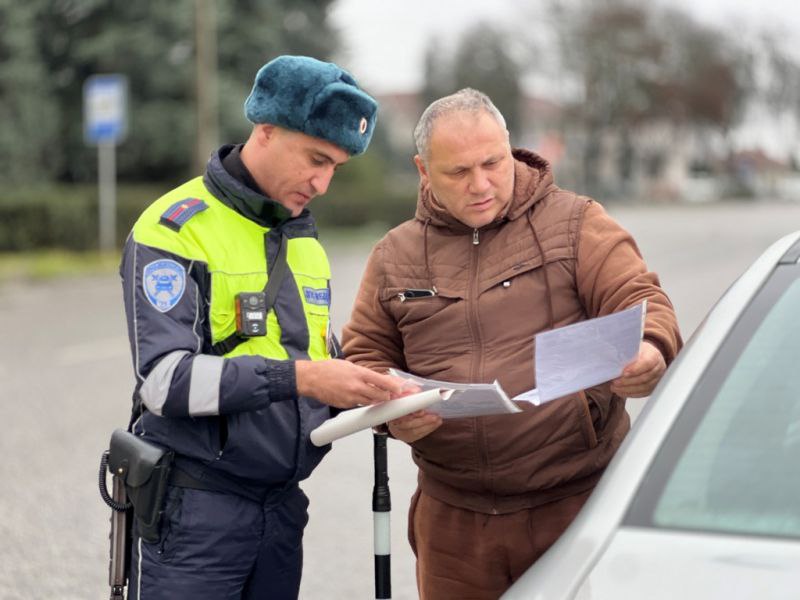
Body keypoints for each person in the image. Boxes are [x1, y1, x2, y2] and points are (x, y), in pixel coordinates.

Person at [342, 88, 683, 599]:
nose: (480, 184)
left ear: (510, 148)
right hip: (454, 520)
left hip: (576, 504)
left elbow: (641, 299)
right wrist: (390, 410)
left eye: (492, 163)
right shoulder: (395, 254)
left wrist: (652, 351)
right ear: (423, 170)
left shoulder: (576, 222)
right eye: (458, 172)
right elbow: (364, 357)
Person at [119, 55, 406, 600]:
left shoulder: (302, 239)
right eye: (315, 159)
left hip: (280, 513)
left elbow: (316, 360)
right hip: (195, 515)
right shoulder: (174, 229)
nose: (322, 183)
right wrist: (301, 379)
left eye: (336, 168)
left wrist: (382, 391)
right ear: (266, 131)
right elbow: (162, 382)